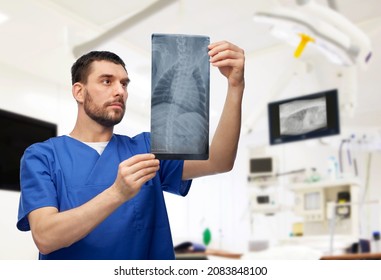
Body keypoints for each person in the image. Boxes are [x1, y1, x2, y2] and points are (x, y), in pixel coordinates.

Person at [16, 40, 245, 260]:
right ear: (79, 92)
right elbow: (46, 237)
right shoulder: (42, 156)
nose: (120, 91)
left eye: (124, 84)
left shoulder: (146, 147)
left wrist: (235, 86)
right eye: (107, 81)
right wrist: (117, 193)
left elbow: (219, 161)